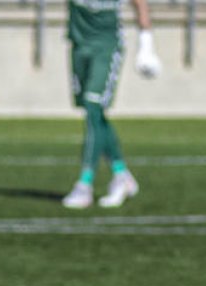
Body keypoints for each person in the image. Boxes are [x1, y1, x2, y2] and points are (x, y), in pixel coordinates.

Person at [60, 0, 161, 208]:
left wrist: (146, 43)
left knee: (93, 107)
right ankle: (121, 174)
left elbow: (139, 2)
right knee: (93, 113)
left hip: (105, 47)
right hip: (79, 45)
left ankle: (85, 184)